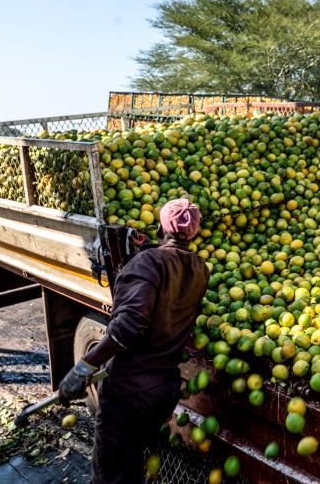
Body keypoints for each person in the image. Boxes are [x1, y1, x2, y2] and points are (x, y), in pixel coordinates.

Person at [58, 198, 210, 483]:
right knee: (132, 463)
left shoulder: (148, 263)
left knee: (112, 474)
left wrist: (84, 366)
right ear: (194, 233)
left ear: (161, 228)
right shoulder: (200, 269)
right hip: (162, 392)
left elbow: (127, 327)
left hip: (129, 392)